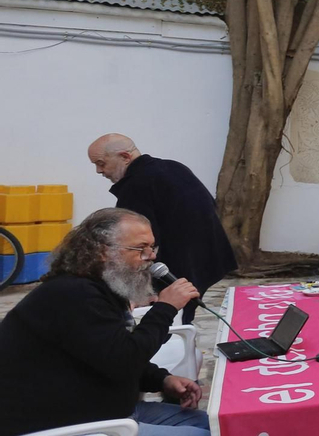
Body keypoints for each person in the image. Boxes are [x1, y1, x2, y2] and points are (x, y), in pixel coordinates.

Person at [0, 208, 205, 436]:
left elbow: (106, 356)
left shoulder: (93, 290)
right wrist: (166, 307)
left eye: (153, 248)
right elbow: (122, 358)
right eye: (140, 249)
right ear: (101, 251)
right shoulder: (72, 296)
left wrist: (162, 380)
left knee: (205, 425)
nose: (151, 259)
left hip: (90, 414)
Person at [88, 133, 236, 324]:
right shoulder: (173, 167)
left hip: (175, 265)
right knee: (181, 315)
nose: (99, 171)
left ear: (125, 157)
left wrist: (138, 288)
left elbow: (136, 243)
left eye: (101, 163)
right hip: (206, 258)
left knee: (166, 322)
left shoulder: (137, 184)